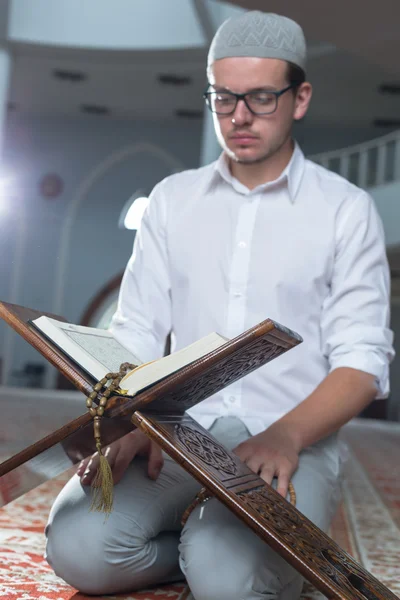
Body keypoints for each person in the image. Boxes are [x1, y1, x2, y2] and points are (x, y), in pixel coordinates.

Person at [45, 10, 394, 600]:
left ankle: (217, 551)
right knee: (78, 549)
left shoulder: (345, 209)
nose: (239, 117)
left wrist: (285, 435)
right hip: (178, 432)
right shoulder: (172, 201)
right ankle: (198, 547)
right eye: (223, 97)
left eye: (260, 98)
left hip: (290, 441)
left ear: (299, 97)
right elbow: (135, 328)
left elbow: (362, 360)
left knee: (224, 579)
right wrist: (129, 419)